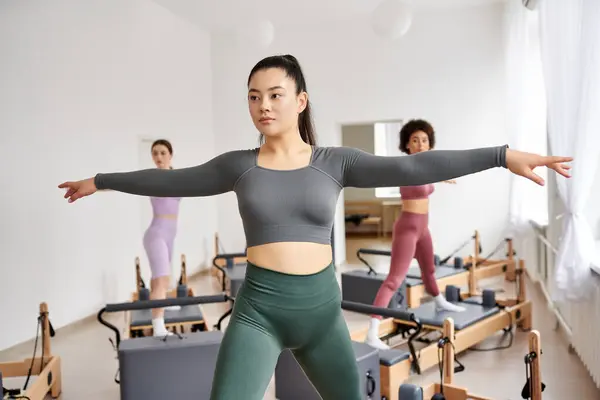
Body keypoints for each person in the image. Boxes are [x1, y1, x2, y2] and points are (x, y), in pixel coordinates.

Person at [58, 54, 572, 400]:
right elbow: (172, 177)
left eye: (276, 95)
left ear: (300, 101)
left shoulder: (336, 162)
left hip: (321, 315)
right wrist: (100, 180)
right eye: (254, 96)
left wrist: (503, 156)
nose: (264, 105)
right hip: (259, 312)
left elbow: (416, 169)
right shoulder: (237, 164)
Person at [364, 119, 466, 350]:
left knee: (429, 269)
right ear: (407, 145)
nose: (420, 144)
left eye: (425, 141)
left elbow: (428, 175)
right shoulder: (405, 166)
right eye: (415, 140)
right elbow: (414, 176)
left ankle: (440, 301)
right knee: (394, 280)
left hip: (423, 228)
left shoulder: (426, 166)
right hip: (408, 228)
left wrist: (441, 175)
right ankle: (372, 330)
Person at [143, 139, 182, 337]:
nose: (158, 157)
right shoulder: (152, 178)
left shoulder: (177, 176)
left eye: (162, 153)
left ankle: (163, 303)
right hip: (156, 233)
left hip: (169, 234)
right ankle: (158, 325)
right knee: (161, 279)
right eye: (155, 153)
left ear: (170, 155)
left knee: (161, 278)